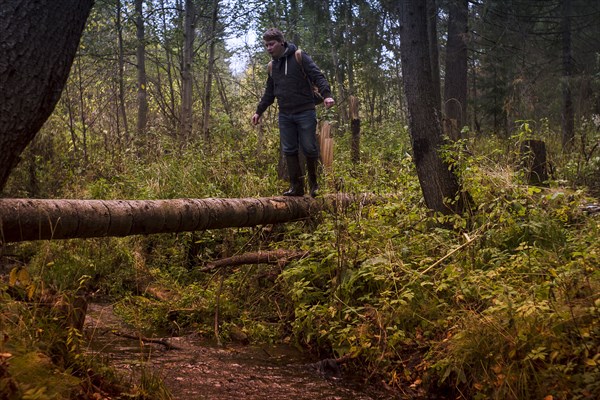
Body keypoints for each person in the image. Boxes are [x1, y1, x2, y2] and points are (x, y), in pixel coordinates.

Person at [252, 28, 335, 197]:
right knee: (289, 150)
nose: (268, 48)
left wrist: (326, 95)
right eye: (266, 45)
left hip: (305, 111)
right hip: (285, 114)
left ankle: (314, 186)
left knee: (309, 148)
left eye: (271, 44)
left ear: (281, 43)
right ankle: (296, 187)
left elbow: (317, 76)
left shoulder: (299, 56)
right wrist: (258, 112)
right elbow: (270, 92)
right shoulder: (272, 66)